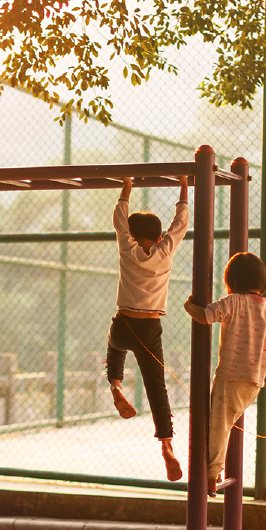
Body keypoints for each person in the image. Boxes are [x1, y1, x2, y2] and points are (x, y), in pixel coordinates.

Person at [184, 251, 266, 491]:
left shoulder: (233, 302)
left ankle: (212, 476)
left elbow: (205, 316)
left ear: (232, 281)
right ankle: (215, 471)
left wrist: (188, 306)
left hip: (231, 377)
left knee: (219, 424)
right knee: (224, 423)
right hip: (254, 382)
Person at [105, 174, 189, 482]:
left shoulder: (127, 248)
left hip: (123, 321)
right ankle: (167, 446)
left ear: (132, 233)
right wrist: (183, 184)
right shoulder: (165, 252)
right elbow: (180, 221)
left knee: (114, 347)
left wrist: (127, 187)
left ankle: (115, 386)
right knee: (157, 388)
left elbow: (119, 218)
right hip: (149, 327)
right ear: (157, 236)